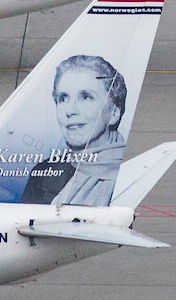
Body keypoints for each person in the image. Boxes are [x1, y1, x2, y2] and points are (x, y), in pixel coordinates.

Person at [19, 54, 127, 206]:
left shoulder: (127, 174)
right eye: (63, 98)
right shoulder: (44, 172)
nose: (69, 110)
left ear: (114, 113)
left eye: (86, 97)